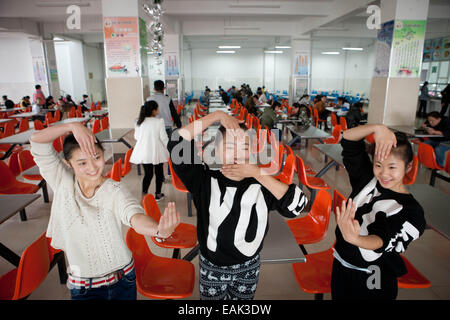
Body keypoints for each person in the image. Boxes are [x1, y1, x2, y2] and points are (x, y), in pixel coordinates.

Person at [29, 122, 180, 300]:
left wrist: (158, 230)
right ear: (68, 163)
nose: (92, 168)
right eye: (82, 162)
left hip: (123, 280)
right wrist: (71, 126)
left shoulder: (114, 190)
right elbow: (37, 141)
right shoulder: (61, 180)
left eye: (97, 157)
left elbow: (134, 216)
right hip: (83, 287)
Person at [167, 110, 308, 300]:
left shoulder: (262, 184)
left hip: (249, 266)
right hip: (212, 266)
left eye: (245, 146)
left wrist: (259, 174)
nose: (238, 153)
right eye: (230, 146)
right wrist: (217, 116)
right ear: (215, 150)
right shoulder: (203, 180)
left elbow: (297, 206)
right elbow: (177, 141)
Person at [332, 124, 426, 300]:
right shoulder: (367, 180)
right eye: (378, 165)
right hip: (342, 265)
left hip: (374, 276)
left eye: (392, 167)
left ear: (408, 166)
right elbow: (348, 140)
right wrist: (378, 128)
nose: (383, 174)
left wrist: (356, 239)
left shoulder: (411, 212)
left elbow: (383, 239)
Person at [130, 100, 169, 201]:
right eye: (157, 108)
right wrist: (169, 147)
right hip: (157, 151)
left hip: (144, 151)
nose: (158, 110)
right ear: (153, 110)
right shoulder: (159, 121)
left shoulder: (138, 121)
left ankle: (144, 195)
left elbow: (136, 137)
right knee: (159, 173)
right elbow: (163, 137)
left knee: (148, 174)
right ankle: (158, 194)